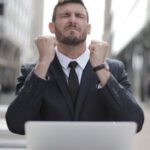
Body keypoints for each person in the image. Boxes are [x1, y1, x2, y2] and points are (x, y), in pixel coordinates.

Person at [6, 0, 144, 135]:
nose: (72, 20)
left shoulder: (114, 69)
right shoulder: (33, 71)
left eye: (79, 16)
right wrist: (43, 63)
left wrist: (100, 68)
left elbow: (135, 122)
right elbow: (16, 123)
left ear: (89, 28)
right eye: (65, 15)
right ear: (51, 27)